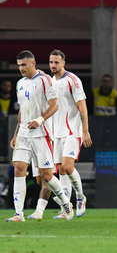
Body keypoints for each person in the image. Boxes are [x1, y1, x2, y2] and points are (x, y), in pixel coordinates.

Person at [5, 50, 73, 222]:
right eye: (19, 65)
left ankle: (66, 202)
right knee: (19, 169)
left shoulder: (45, 80)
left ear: (33, 63)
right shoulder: (20, 84)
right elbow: (22, 110)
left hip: (41, 133)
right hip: (24, 134)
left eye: (24, 65)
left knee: (46, 176)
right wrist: (16, 133)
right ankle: (18, 213)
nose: (21, 68)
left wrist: (40, 119)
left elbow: (55, 105)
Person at [27, 50, 92, 219]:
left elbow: (82, 106)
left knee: (67, 167)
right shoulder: (48, 82)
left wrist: (85, 131)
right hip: (54, 134)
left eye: (56, 62)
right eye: (51, 62)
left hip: (71, 131)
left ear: (64, 63)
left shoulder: (73, 80)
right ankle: (65, 209)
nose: (53, 65)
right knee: (61, 172)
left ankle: (80, 197)